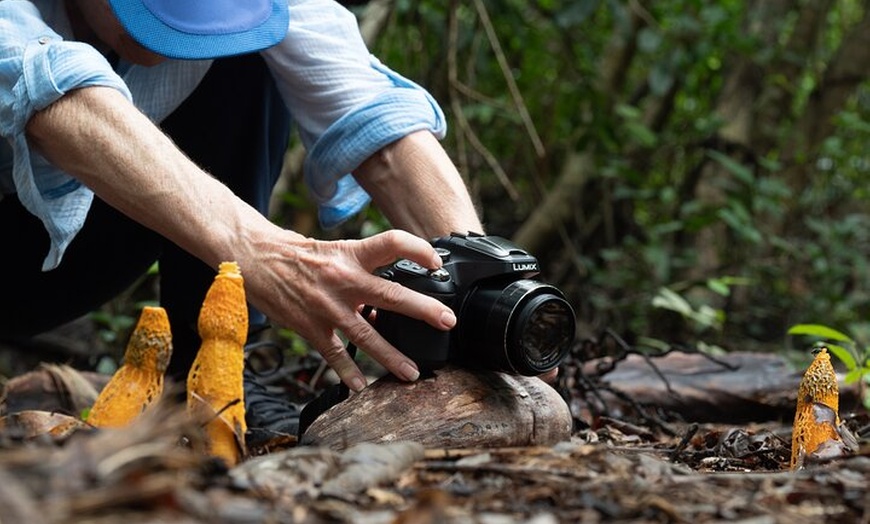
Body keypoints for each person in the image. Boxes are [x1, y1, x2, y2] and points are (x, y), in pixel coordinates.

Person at [0, 0, 483, 442]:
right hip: (16, 253)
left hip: (90, 244)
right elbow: (54, 94)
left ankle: (213, 374)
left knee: (250, 51)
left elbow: (377, 119)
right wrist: (270, 257)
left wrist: (482, 280)